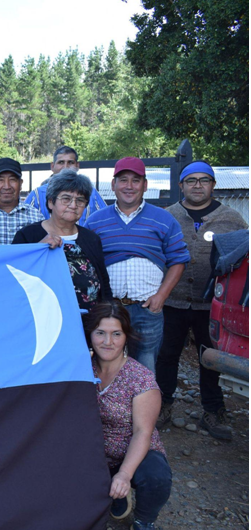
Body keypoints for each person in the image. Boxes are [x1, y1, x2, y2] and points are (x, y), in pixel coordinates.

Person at [155, 161, 249, 439]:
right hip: (173, 300)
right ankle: (162, 406)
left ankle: (213, 410)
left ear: (213, 185)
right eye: (191, 180)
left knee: (211, 358)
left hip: (213, 306)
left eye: (204, 180)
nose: (197, 185)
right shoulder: (166, 216)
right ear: (181, 185)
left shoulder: (232, 219)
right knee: (167, 355)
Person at [84, 301, 172, 530]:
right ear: (90, 335)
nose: (107, 341)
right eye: (100, 333)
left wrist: (124, 473)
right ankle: (114, 495)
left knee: (156, 476)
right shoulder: (80, 368)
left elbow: (143, 432)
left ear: (126, 336)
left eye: (116, 334)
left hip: (132, 450)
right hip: (94, 451)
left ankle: (144, 521)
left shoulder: (141, 378)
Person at [86, 157, 189, 372]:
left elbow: (178, 260)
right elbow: (84, 262)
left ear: (145, 185)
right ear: (113, 185)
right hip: (109, 309)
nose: (129, 186)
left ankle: (145, 407)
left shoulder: (164, 219)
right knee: (105, 365)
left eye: (136, 180)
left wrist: (160, 297)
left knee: (145, 366)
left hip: (147, 309)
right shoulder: (95, 221)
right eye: (123, 180)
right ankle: (108, 406)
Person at [13, 170, 112, 310]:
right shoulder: (28, 236)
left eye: (80, 200)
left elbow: (104, 282)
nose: (73, 205)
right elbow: (15, 276)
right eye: (66, 199)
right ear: (50, 202)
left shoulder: (91, 239)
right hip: (45, 319)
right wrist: (38, 248)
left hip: (90, 321)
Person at [25, 145, 107, 225]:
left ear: (77, 166)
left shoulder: (91, 193)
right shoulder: (37, 195)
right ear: (52, 166)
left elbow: (106, 220)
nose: (66, 167)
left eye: (70, 162)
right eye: (61, 162)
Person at [0, 158, 44, 244]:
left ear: (21, 183)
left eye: (12, 180)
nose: (7, 186)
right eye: (0, 180)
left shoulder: (36, 216)